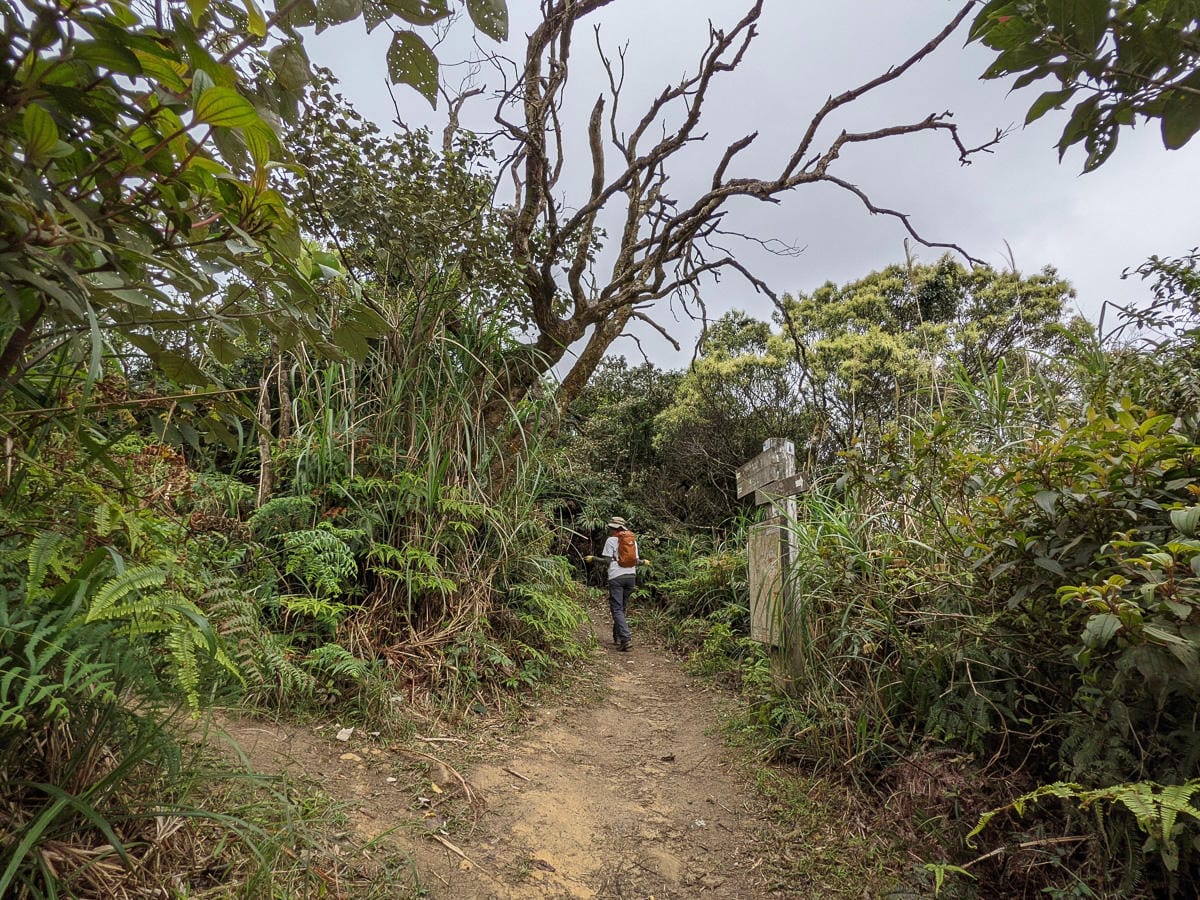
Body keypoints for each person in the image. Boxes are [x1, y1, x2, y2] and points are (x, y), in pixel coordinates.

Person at [585, 516, 644, 652]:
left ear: (615, 528)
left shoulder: (611, 540)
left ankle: (626, 638)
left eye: (611, 528)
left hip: (617, 577)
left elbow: (606, 561)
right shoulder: (632, 541)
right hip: (631, 577)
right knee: (621, 607)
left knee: (616, 609)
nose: (610, 530)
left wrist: (593, 558)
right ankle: (617, 637)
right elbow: (636, 560)